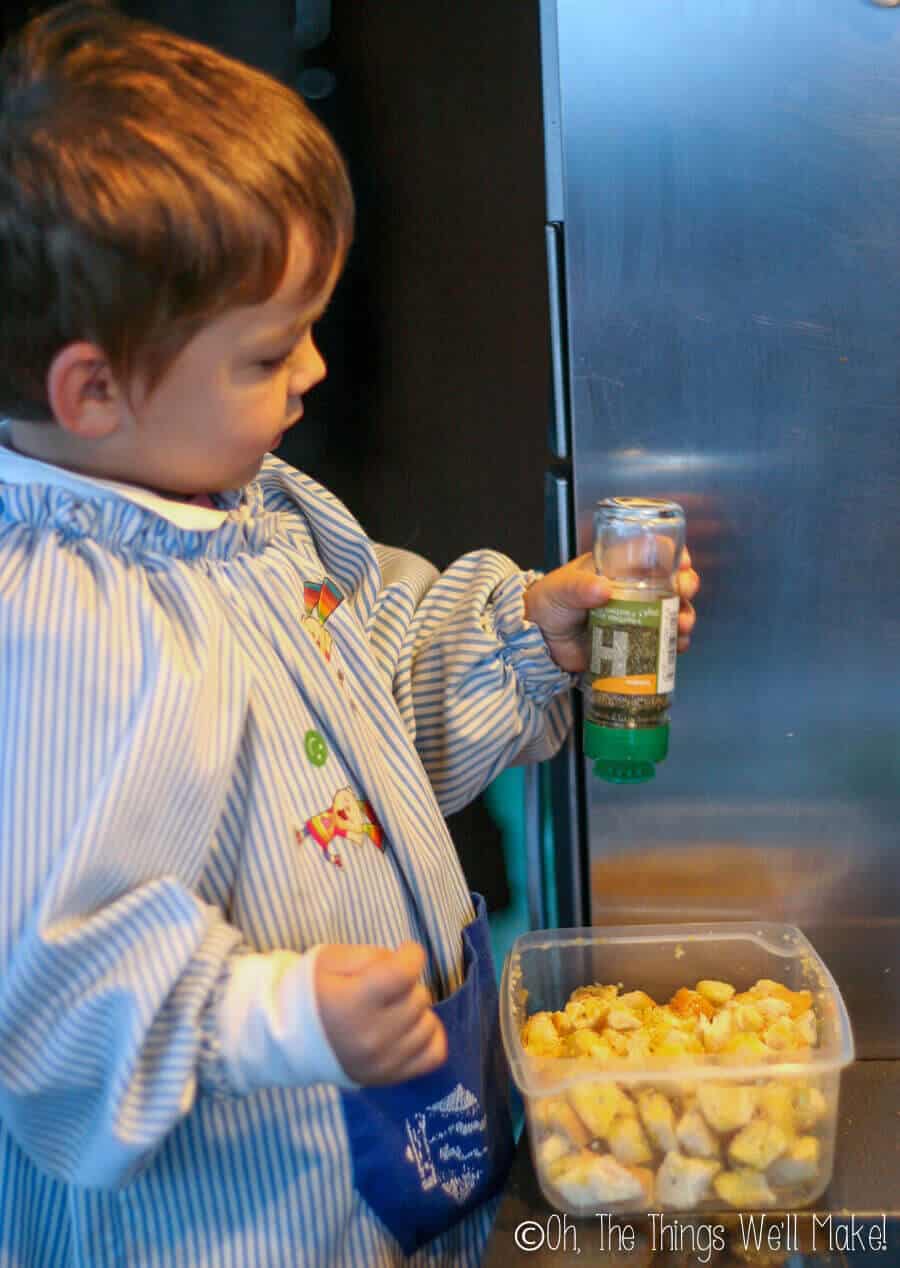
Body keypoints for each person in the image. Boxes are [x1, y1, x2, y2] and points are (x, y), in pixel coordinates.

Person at [0, 4, 699, 1266]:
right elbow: (48, 992)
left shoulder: (251, 508)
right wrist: (280, 1012)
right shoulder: (63, 626)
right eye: (271, 350)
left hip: (370, 1179)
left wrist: (530, 631)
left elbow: (374, 711)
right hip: (219, 1227)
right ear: (93, 390)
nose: (315, 370)